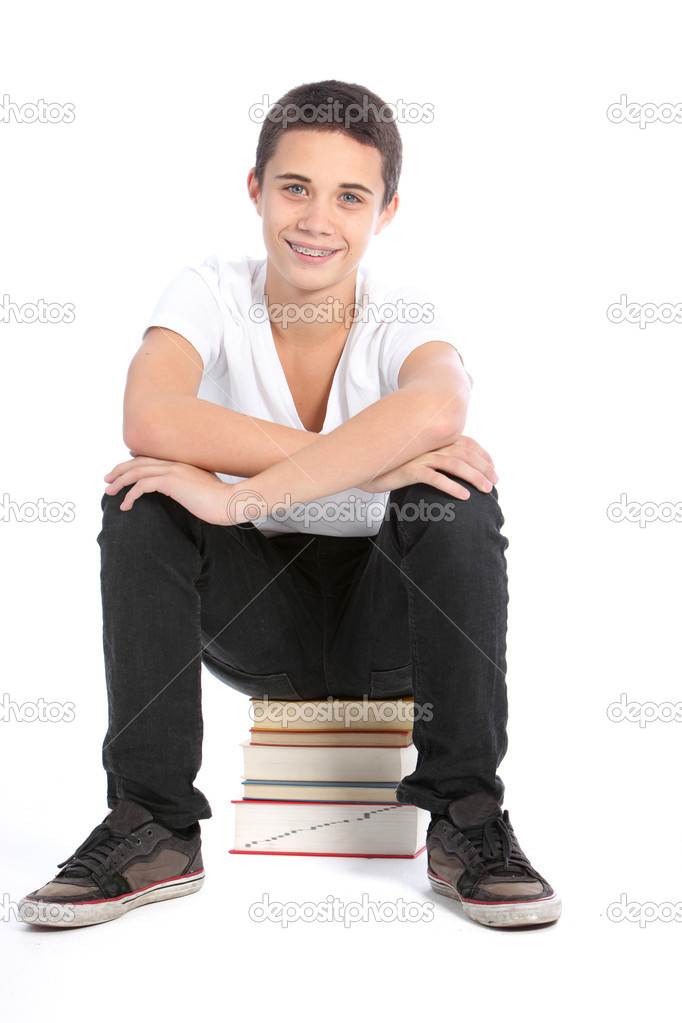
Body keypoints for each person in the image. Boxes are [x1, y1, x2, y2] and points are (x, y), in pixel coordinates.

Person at [19, 79, 560, 930]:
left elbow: (438, 412)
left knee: (451, 490)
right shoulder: (207, 289)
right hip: (257, 621)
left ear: (384, 211)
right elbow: (151, 417)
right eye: (295, 188)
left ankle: (468, 815)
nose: (316, 220)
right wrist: (366, 461)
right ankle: (153, 821)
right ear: (255, 189)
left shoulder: (402, 316)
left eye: (349, 196)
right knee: (144, 493)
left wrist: (247, 494)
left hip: (387, 627)